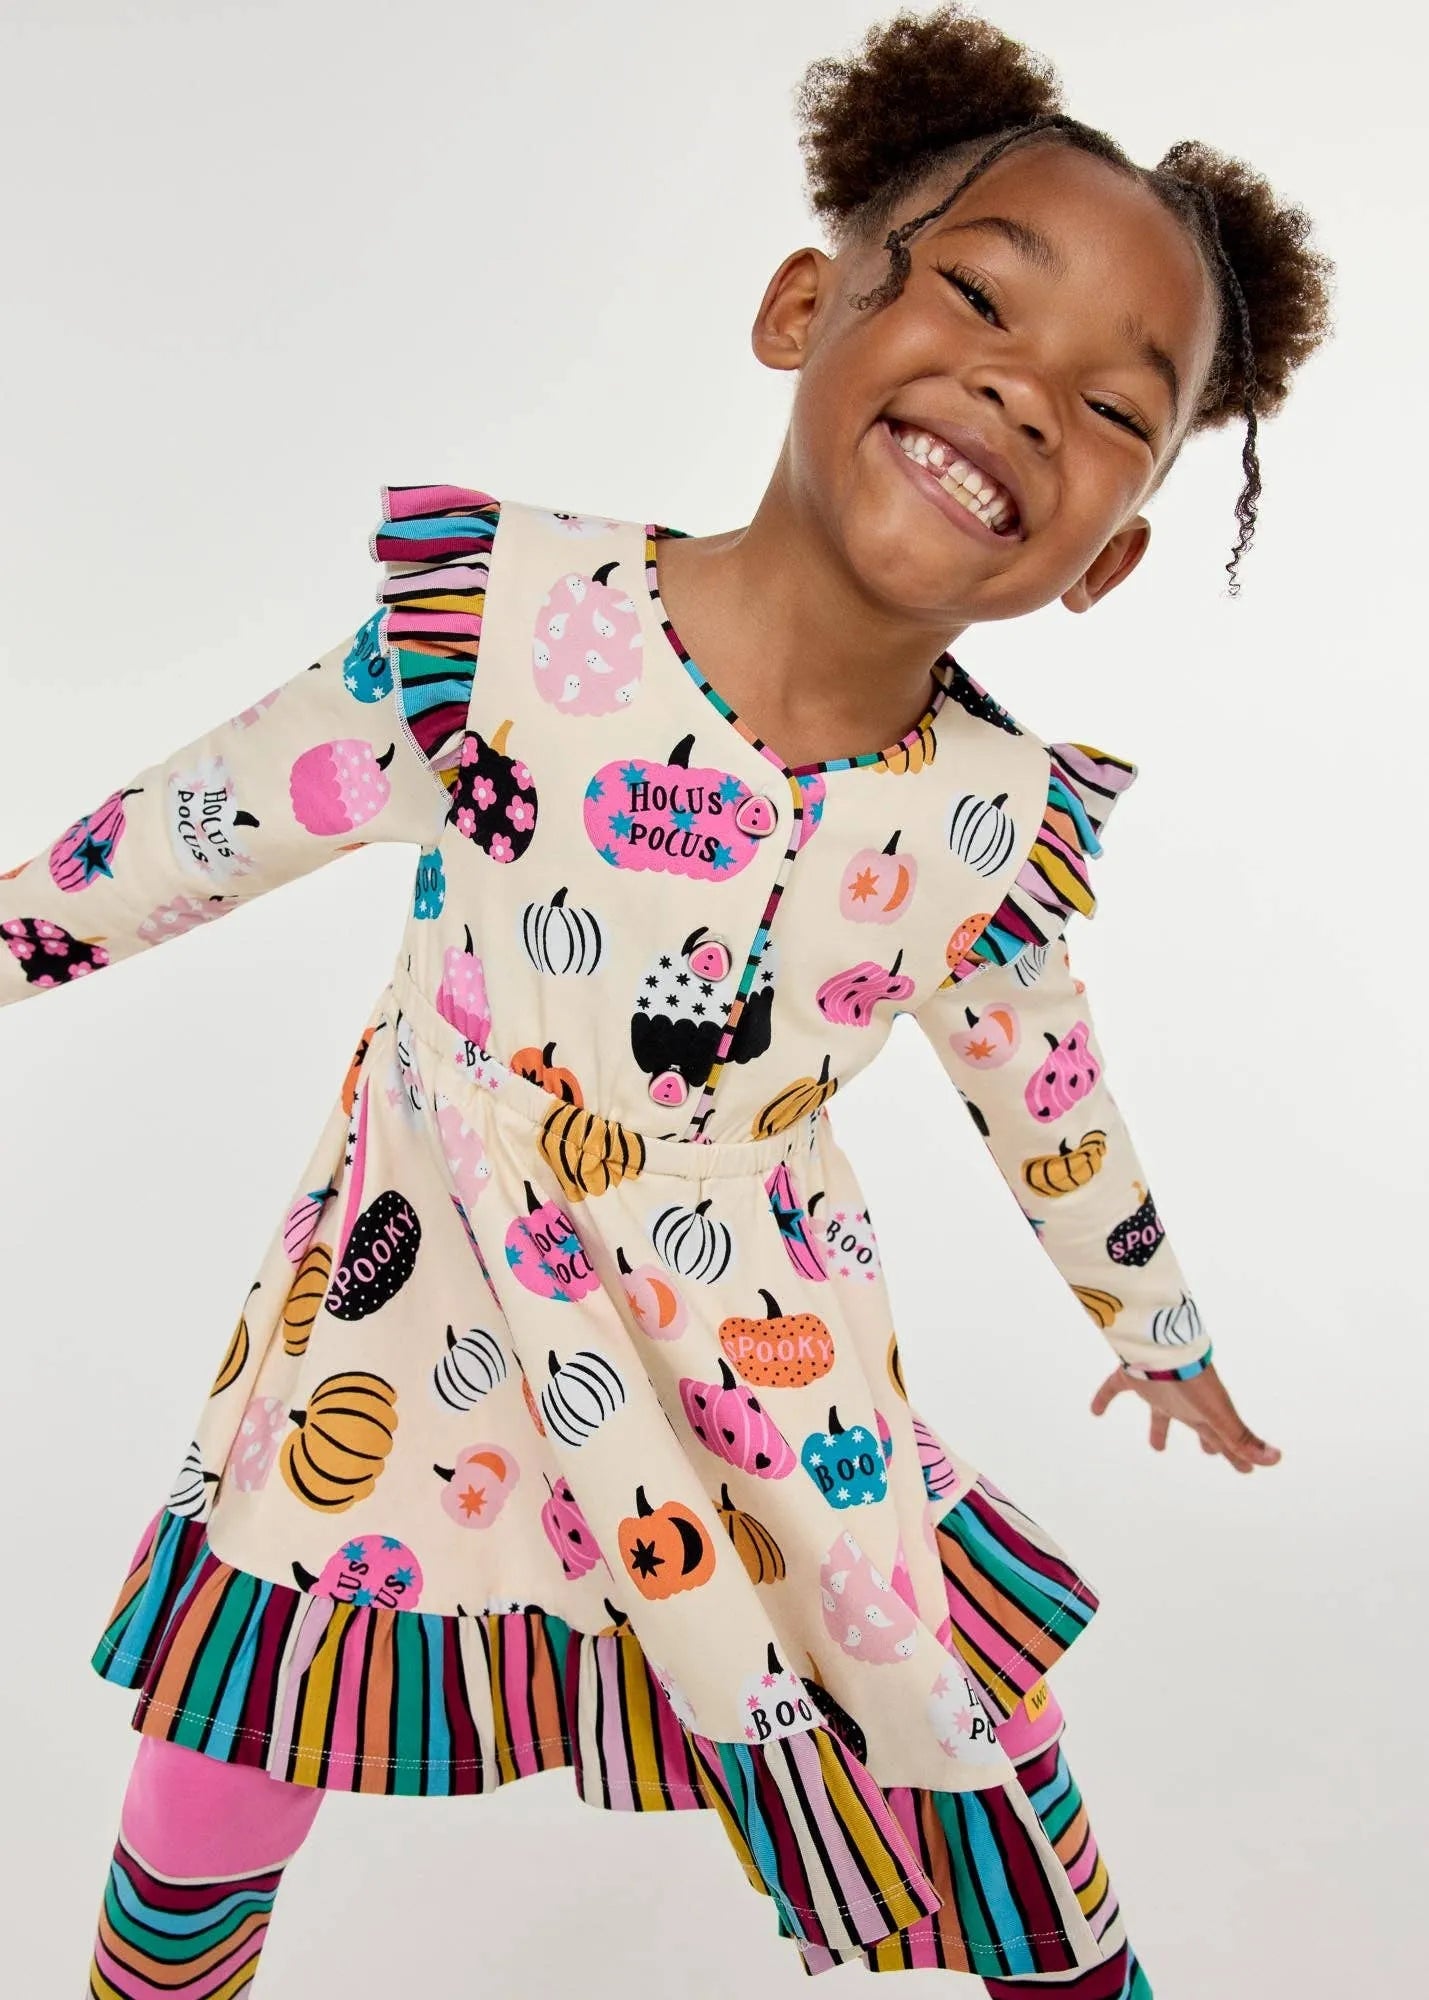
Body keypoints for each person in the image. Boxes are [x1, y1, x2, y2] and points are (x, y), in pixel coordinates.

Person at [1, 5, 1332, 1993]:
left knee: (949, 1710)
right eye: (977, 293)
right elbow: (199, 823)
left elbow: (1050, 1100)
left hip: (749, 1342)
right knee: (238, 1720)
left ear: (1107, 558)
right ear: (803, 306)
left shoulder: (982, 823)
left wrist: (1164, 1337)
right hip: (425, 1286)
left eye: (1109, 407)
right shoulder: (503, 640)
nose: (1021, 392)